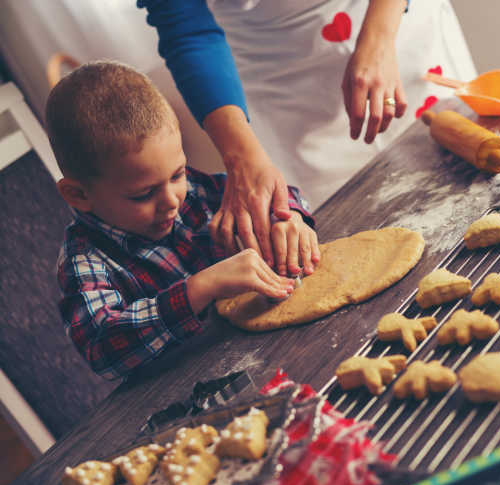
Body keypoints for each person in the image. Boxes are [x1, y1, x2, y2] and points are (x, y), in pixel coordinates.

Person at [139, 0, 477, 269]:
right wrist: (240, 156)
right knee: (343, 231)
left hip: (396, 28)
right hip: (276, 71)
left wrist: (379, 43)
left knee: (463, 182)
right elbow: (185, 26)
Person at [47, 61, 319, 379]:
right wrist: (200, 287)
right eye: (143, 194)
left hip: (270, 354)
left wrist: (288, 218)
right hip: (185, 392)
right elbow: (102, 349)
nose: (172, 200)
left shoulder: (194, 191)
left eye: (177, 174)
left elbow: (273, 195)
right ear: (79, 194)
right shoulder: (84, 259)